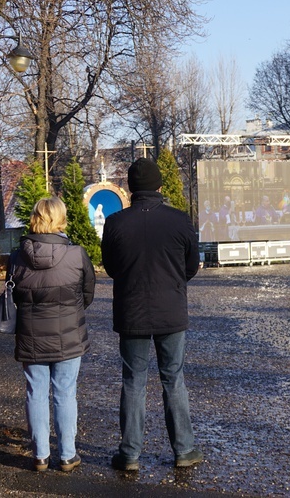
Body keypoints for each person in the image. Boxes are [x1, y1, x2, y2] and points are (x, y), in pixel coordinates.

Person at [102, 157, 203, 471]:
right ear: (159, 186)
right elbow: (190, 266)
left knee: (133, 381)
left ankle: (129, 454)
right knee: (173, 380)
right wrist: (172, 283)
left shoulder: (116, 222)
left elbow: (111, 268)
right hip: (171, 310)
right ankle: (184, 450)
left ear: (131, 189)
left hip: (132, 311)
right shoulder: (179, 220)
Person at [11, 196, 96, 472]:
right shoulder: (76, 254)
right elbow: (88, 294)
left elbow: (14, 295)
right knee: (65, 392)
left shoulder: (18, 256)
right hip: (69, 335)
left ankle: (40, 455)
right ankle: (68, 455)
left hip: (31, 335)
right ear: (61, 218)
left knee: (35, 391)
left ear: (35, 218)